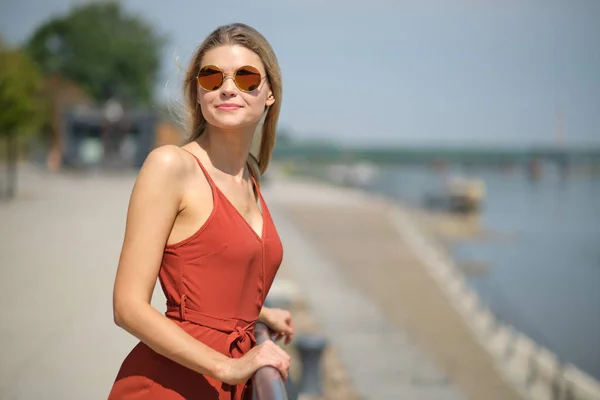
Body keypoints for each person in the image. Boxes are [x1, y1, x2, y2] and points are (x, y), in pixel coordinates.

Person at [108, 23, 294, 400]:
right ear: (197, 90)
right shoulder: (170, 166)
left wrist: (255, 314)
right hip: (170, 386)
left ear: (269, 93)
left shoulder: (251, 177)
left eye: (245, 77)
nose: (228, 88)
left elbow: (208, 271)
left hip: (230, 386)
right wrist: (227, 366)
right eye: (211, 77)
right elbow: (127, 306)